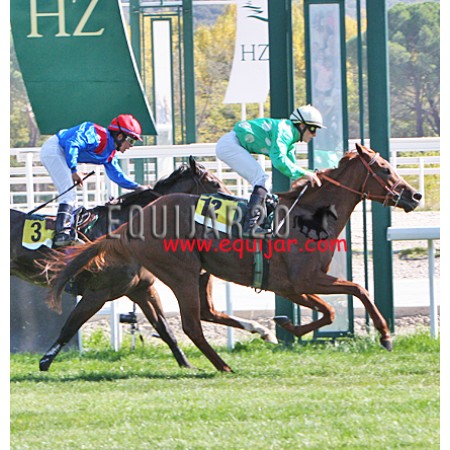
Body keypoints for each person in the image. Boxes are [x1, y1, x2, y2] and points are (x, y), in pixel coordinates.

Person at [215, 104, 324, 234]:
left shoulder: (290, 140)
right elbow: (279, 161)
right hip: (229, 145)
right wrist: (306, 174)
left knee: (268, 190)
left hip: (232, 144)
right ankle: (250, 226)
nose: (314, 134)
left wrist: (311, 174)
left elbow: (291, 169)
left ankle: (262, 224)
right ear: (301, 125)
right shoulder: (285, 131)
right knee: (262, 180)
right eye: (312, 129)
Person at [40, 114, 146, 247]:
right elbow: (72, 143)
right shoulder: (96, 135)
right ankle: (62, 234)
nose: (131, 145)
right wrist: (74, 169)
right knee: (69, 195)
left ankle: (70, 232)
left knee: (73, 198)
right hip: (54, 150)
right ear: (120, 136)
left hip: (63, 153)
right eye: (131, 140)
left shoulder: (110, 154)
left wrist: (138, 187)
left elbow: (117, 175)